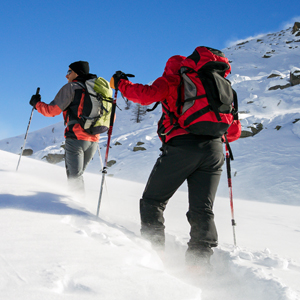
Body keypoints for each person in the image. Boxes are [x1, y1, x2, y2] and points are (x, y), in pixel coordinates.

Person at [110, 53, 241, 269]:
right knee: (202, 209)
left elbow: (143, 96)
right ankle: (199, 265)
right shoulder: (223, 88)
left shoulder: (174, 80)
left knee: (153, 201)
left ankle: (154, 254)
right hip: (215, 151)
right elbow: (234, 132)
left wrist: (121, 82)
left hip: (182, 148)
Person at [29, 61, 100, 197]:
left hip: (76, 138)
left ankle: (78, 209)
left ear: (77, 73)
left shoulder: (72, 87)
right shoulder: (96, 90)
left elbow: (51, 110)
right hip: (94, 141)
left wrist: (36, 104)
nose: (66, 76)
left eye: (69, 72)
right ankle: (80, 206)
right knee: (78, 176)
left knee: (74, 178)